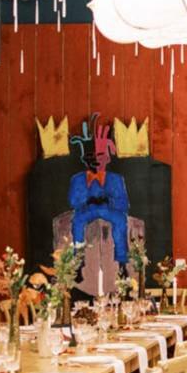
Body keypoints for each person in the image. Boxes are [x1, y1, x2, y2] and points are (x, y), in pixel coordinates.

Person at [68, 113, 130, 264]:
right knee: (77, 223)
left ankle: (121, 262)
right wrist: (87, 200)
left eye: (100, 158)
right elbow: (73, 202)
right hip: (86, 212)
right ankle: (78, 261)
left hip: (110, 211)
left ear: (107, 159)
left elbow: (124, 204)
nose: (96, 163)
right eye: (91, 159)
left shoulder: (115, 179)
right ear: (85, 161)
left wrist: (108, 200)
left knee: (121, 222)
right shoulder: (78, 179)